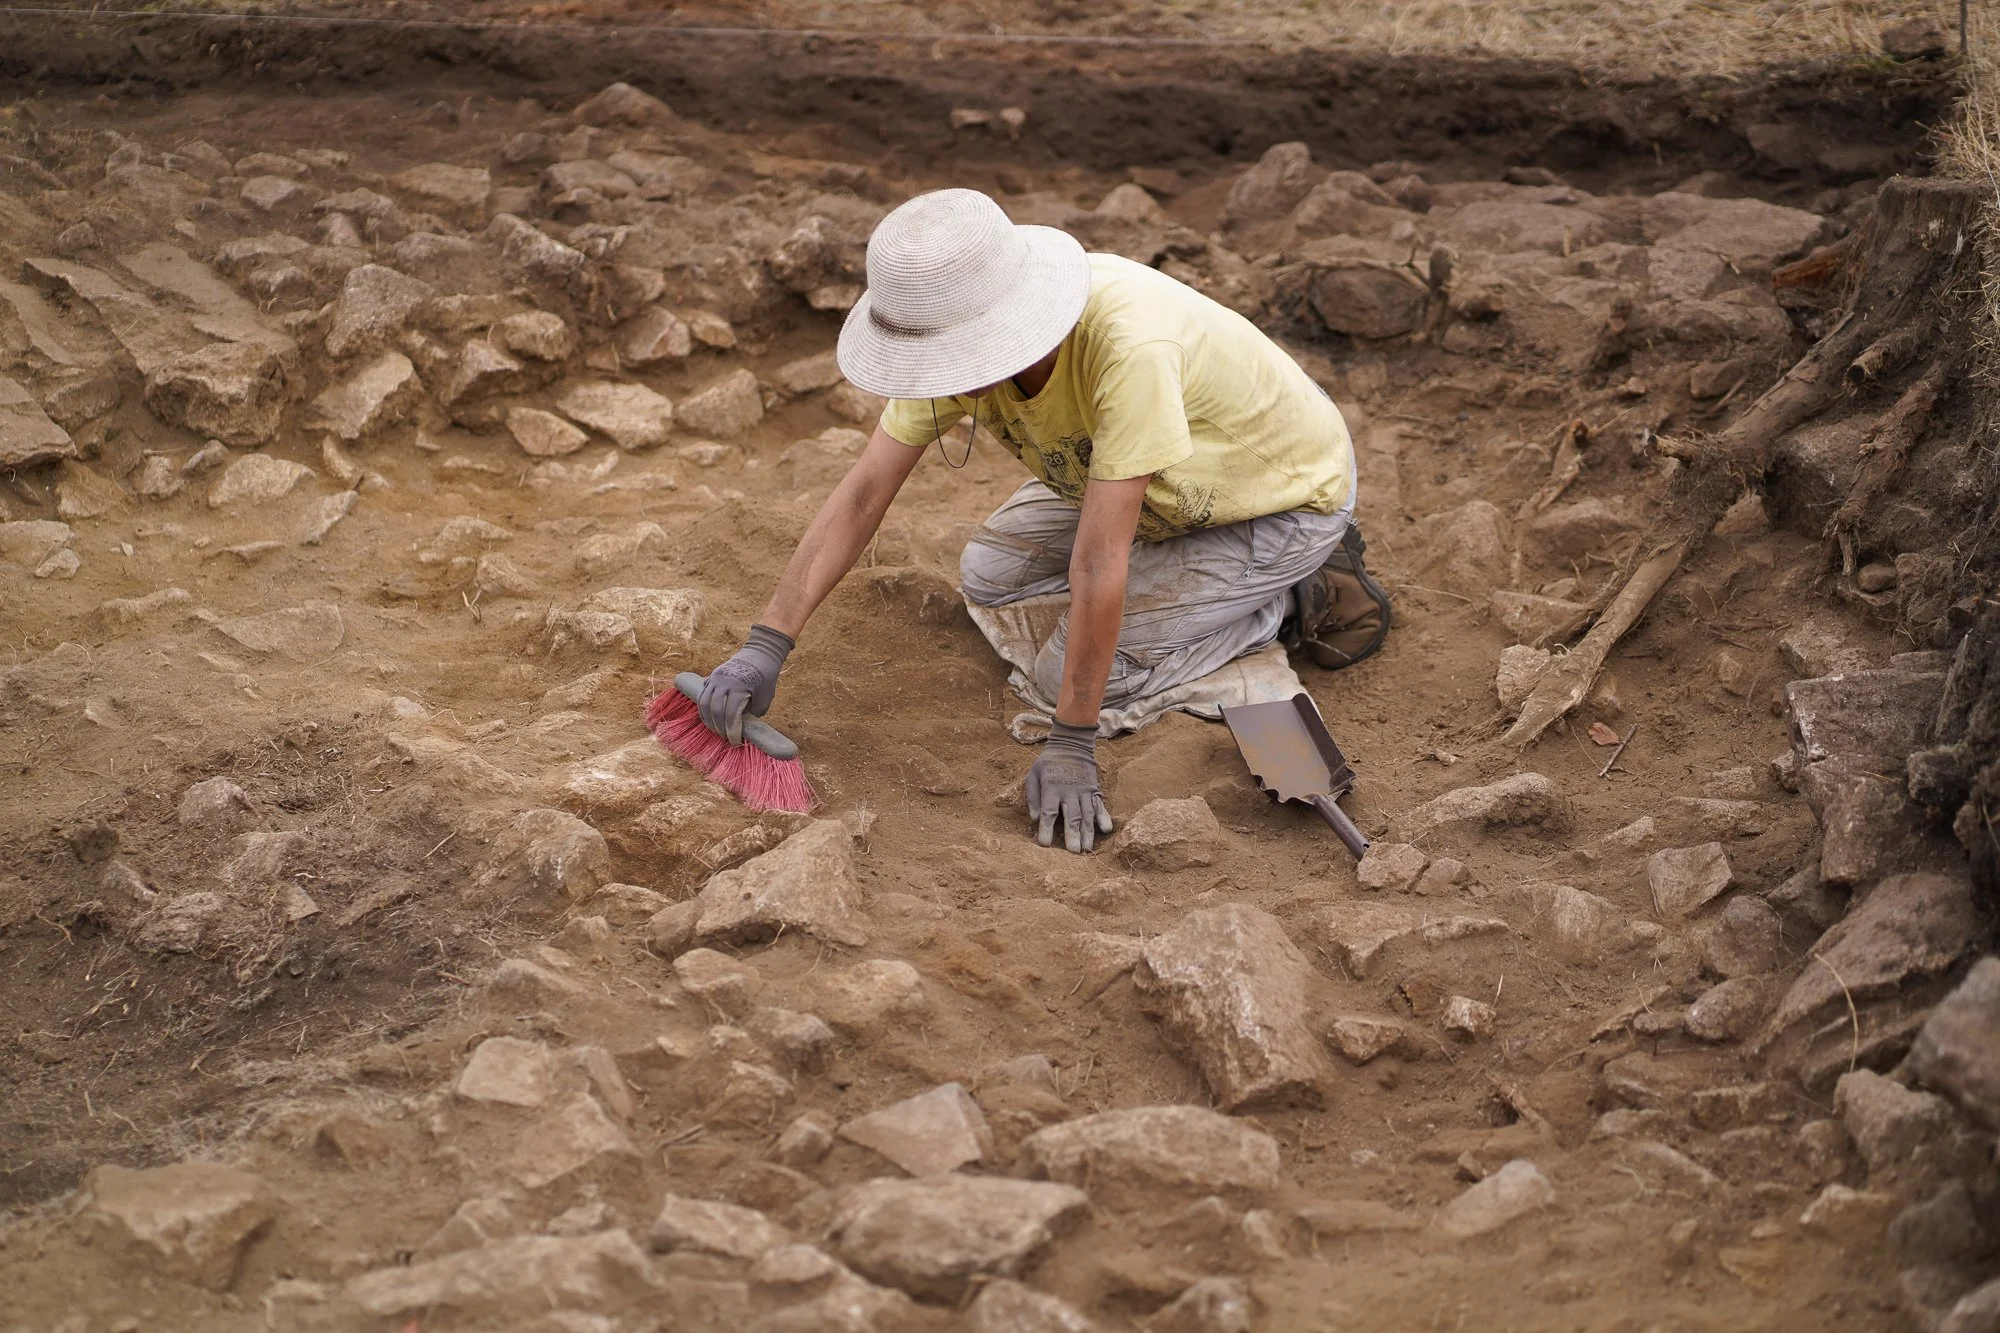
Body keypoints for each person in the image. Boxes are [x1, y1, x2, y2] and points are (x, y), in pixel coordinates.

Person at [695, 188, 1389, 853]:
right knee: (987, 574)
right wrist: (767, 642)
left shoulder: (1127, 348)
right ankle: (1207, 600)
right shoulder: (950, 330)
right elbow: (861, 494)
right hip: (1160, 488)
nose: (946, 378)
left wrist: (1073, 738)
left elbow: (1096, 561)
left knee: (1067, 676)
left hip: (1279, 499)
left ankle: (1288, 598)